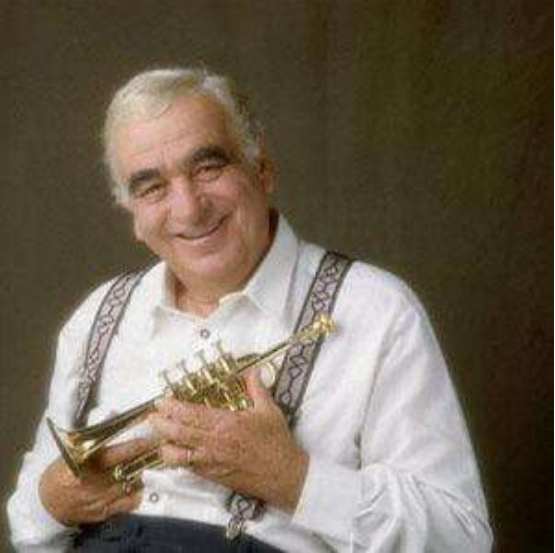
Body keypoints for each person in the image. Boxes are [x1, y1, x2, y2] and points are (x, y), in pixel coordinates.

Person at [7, 67, 493, 552]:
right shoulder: (99, 315)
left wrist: (293, 478)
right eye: (152, 188)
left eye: (207, 168)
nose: (189, 208)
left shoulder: (376, 310)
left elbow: (459, 538)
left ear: (263, 170)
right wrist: (52, 500)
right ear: (133, 215)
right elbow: (28, 526)